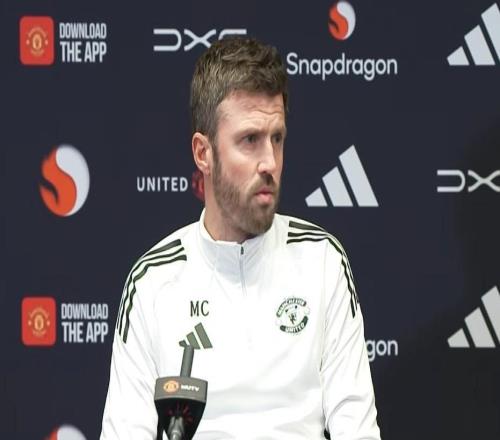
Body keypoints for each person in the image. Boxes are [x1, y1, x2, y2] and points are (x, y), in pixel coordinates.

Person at [100, 37, 381, 440]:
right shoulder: (153, 283)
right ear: (203, 153)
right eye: (250, 140)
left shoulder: (322, 261)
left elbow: (358, 430)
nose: (269, 162)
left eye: (277, 138)